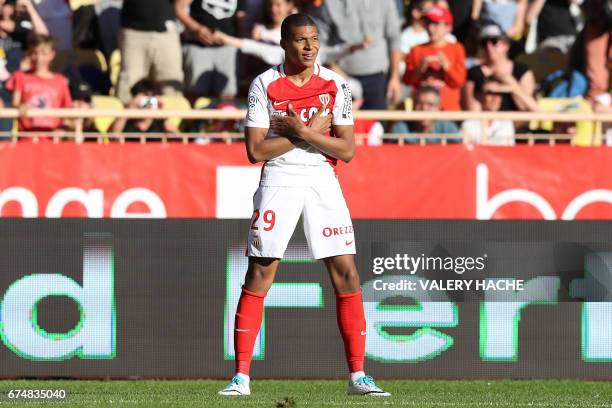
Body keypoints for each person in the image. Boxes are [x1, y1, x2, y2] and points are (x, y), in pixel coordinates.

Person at [218, 13, 390, 397]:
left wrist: (299, 131)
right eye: (300, 40)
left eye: (313, 39)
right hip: (279, 177)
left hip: (321, 178)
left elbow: (346, 150)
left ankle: (358, 376)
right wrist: (306, 134)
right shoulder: (264, 84)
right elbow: (256, 150)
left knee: (346, 272)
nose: (309, 47)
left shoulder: (336, 85)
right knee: (260, 272)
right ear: (284, 43)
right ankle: (241, 377)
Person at [310, 0, 402, 109]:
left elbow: (394, 38)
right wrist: (332, 68)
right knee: (342, 124)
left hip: (377, 78)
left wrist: (395, 77)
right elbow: (320, 44)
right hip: (341, 78)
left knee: (376, 125)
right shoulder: (328, 3)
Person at [175, 0, 247, 100]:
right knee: (196, 93)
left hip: (228, 47)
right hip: (198, 46)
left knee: (227, 94)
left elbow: (241, 19)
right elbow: (179, 8)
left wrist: (242, 47)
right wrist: (197, 29)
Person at [115, 0, 183, 104]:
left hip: (167, 32)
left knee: (171, 87)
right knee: (129, 84)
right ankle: (125, 119)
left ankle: (169, 120)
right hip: (134, 32)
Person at [463, 22, 538, 112]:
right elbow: (471, 111)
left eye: (494, 41)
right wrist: (482, 95)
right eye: (484, 43)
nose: (489, 47)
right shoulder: (474, 73)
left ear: (506, 45)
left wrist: (511, 86)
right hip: (485, 124)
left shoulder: (522, 70)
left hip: (517, 124)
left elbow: (531, 110)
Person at [403, 6, 466, 111]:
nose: (431, 28)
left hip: (448, 110)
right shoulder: (417, 49)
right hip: (422, 109)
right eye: (428, 23)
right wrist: (420, 69)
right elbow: (407, 80)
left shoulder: (456, 48)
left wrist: (447, 67)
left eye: (436, 24)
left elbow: (459, 82)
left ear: (448, 27)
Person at [6, 34, 72, 133]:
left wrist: (62, 129)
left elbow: (67, 109)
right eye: (34, 53)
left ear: (52, 55)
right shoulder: (19, 76)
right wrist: (20, 106)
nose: (38, 57)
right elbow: (15, 103)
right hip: (26, 138)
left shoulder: (60, 81)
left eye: (43, 53)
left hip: (52, 140)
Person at [391, 85, 461, 143]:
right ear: (413, 105)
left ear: (438, 108)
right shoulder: (401, 128)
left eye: (430, 104)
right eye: (420, 103)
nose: (424, 108)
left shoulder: (448, 128)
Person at [110, 79, 177, 139]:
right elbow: (113, 137)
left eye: (151, 99)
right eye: (144, 98)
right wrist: (128, 109)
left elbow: (178, 139)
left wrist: (163, 114)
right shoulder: (126, 122)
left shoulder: (160, 123)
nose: (147, 103)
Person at [461, 77, 515, 145]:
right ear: (479, 96)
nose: (495, 97)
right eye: (490, 93)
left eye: (498, 93)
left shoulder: (507, 122)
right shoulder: (469, 124)